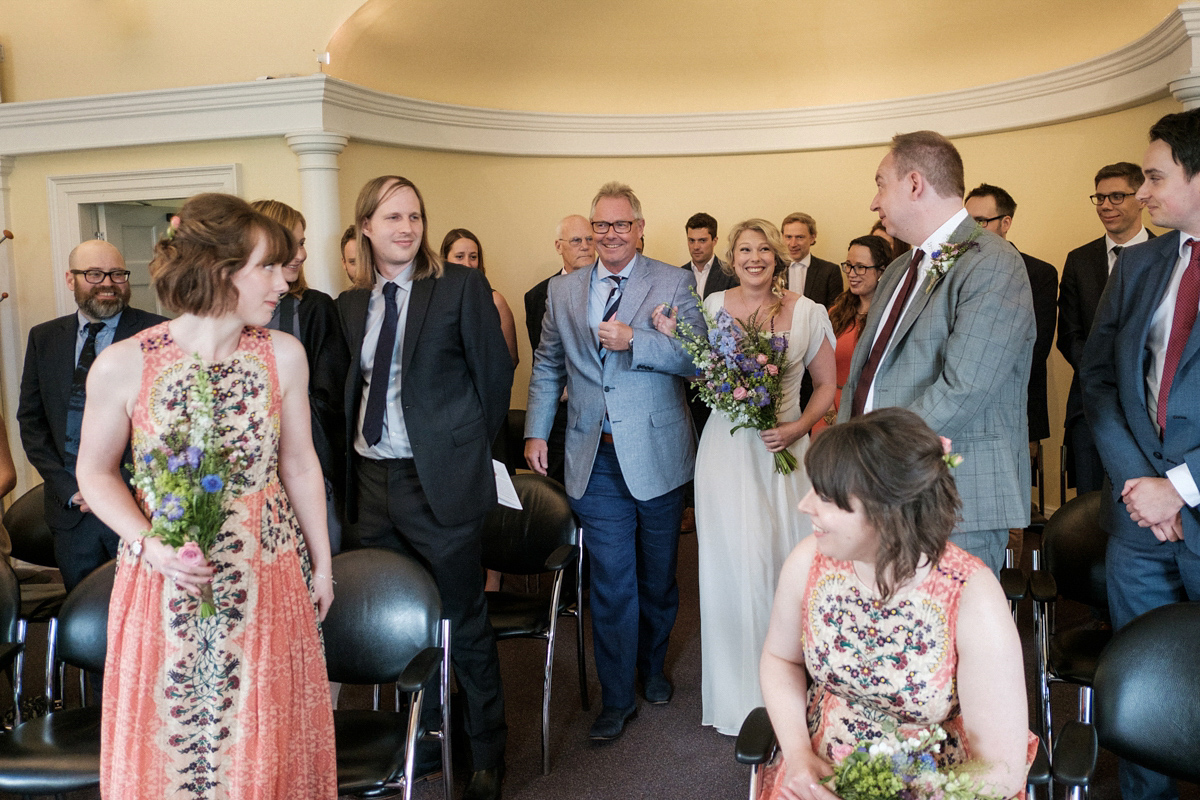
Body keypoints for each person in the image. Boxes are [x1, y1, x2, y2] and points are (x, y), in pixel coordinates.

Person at [75, 193, 336, 798]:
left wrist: (319, 562)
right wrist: (152, 545)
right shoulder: (124, 363)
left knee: (264, 733)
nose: (283, 280)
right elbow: (95, 473)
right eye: (268, 266)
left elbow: (299, 464)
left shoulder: (283, 355)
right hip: (167, 581)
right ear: (222, 270)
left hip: (267, 573)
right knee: (171, 739)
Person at [338, 177, 512, 800]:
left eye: (414, 216)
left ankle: (488, 751)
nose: (406, 228)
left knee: (462, 620)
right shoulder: (351, 304)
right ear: (365, 227)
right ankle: (428, 739)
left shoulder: (459, 288)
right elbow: (347, 394)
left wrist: (459, 452)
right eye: (391, 218)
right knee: (405, 624)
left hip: (437, 483)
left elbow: (495, 379)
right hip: (371, 482)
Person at [758, 408, 1034, 800]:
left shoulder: (972, 596)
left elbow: (1000, 770)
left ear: (887, 513)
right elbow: (779, 658)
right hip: (817, 771)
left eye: (826, 497)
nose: (805, 506)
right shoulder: (810, 561)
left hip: (932, 787)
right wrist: (799, 753)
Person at [524, 181, 703, 741]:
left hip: (657, 453)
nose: (610, 234)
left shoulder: (673, 281)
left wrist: (637, 341)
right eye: (601, 226)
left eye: (622, 225)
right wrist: (535, 432)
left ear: (640, 228)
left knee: (656, 578)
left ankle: (653, 666)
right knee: (611, 582)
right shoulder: (565, 291)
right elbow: (548, 364)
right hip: (591, 457)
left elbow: (697, 360)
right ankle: (617, 696)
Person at [654, 218, 835, 735]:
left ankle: (795, 700)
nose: (755, 257)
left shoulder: (808, 312)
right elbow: (700, 372)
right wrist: (675, 338)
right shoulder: (711, 308)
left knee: (787, 568)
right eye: (745, 249)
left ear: (778, 256)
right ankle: (740, 698)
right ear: (732, 256)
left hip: (785, 451)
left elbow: (827, 386)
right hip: (727, 453)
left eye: (764, 249)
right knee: (733, 569)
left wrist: (796, 426)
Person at [841, 130, 1035, 575]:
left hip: (949, 491)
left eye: (879, 183)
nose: (874, 201)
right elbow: (865, 376)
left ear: (914, 184)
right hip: (881, 488)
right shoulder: (897, 269)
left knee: (946, 638)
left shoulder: (993, 262)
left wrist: (872, 456)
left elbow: (963, 388)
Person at [1080, 108, 1200, 800]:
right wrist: (1138, 482)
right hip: (1137, 524)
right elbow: (1098, 378)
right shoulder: (1143, 263)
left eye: (1155, 177)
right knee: (1145, 699)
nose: (1142, 193)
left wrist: (1181, 487)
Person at [17, 239, 165, 590]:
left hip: (139, 510)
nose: (108, 283)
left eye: (117, 273)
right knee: (84, 625)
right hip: (71, 514)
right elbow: (32, 424)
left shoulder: (158, 335)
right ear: (71, 279)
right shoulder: (44, 338)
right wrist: (72, 489)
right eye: (94, 274)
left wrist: (112, 489)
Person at [251, 199, 349, 554]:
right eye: (292, 243)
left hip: (308, 464)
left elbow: (330, 396)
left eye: (303, 242)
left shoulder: (317, 308)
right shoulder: (226, 320)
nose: (301, 253)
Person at [1059, 161, 1154, 494]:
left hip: (1152, 404)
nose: (1106, 206)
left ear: (1141, 198)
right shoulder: (1078, 260)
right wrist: (1103, 376)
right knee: (1090, 514)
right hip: (1091, 408)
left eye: (1116, 196)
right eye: (1099, 198)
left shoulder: (1167, 256)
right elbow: (1069, 335)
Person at [524, 214, 596, 486]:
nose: (585, 246)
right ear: (559, 246)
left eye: (590, 239)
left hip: (603, 414)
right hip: (560, 413)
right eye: (576, 240)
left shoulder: (613, 287)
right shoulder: (538, 296)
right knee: (557, 492)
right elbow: (542, 361)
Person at [811, 234, 891, 435]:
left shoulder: (891, 317)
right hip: (828, 412)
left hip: (873, 415)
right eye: (848, 265)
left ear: (881, 271)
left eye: (861, 267)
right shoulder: (835, 313)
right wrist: (832, 416)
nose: (852, 273)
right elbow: (817, 370)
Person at [441, 228, 520, 367]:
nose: (467, 264)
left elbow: (510, 359)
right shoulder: (434, 301)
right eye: (459, 256)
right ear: (445, 259)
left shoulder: (495, 301)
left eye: (473, 257)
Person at [781, 212, 842, 308]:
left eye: (799, 237)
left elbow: (835, 313)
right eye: (788, 237)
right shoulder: (774, 269)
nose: (793, 244)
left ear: (812, 238)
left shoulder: (829, 271)